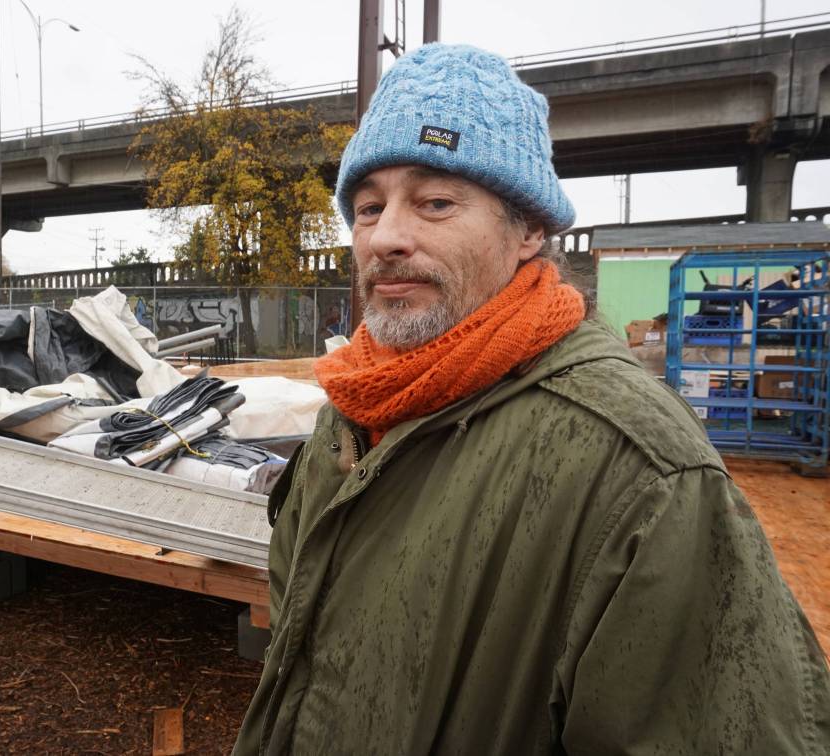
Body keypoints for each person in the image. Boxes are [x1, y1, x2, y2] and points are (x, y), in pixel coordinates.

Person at [233, 44, 830, 755]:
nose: (386, 236)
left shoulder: (638, 468)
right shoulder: (354, 404)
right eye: (368, 206)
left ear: (530, 230)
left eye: (435, 202)